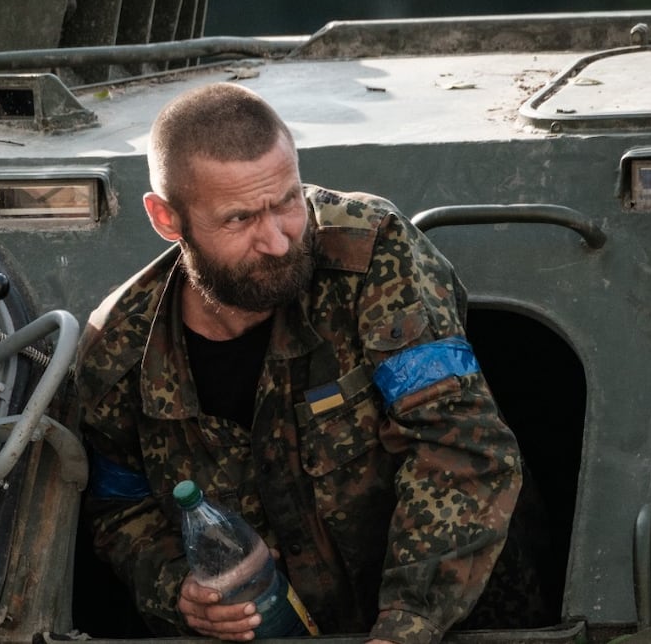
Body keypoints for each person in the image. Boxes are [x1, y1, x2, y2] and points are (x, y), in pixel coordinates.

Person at [76, 82, 545, 643]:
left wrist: (406, 627)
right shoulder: (121, 354)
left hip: (458, 621)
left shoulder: (372, 255)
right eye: (239, 220)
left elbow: (460, 443)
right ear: (167, 220)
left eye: (287, 201)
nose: (276, 241)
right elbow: (117, 510)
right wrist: (177, 590)